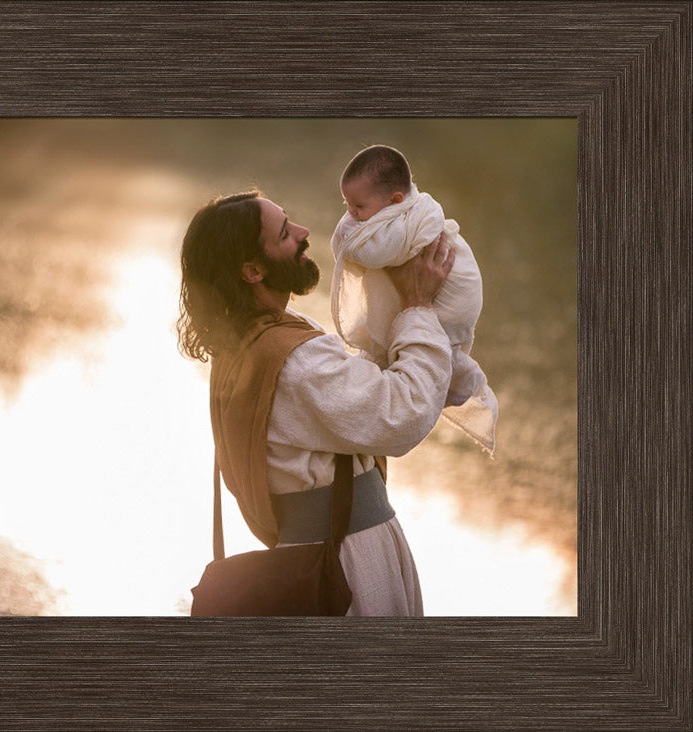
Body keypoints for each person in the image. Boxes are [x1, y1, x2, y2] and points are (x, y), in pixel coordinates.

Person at [178, 190, 456, 616]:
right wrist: (418, 307)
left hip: (316, 551)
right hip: (346, 562)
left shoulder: (247, 341)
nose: (305, 234)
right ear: (252, 270)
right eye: (286, 233)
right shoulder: (294, 360)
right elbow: (402, 413)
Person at [331, 145, 497, 453]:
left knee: (437, 344)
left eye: (358, 206)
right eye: (346, 203)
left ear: (394, 201)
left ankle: (454, 379)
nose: (350, 213)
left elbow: (362, 250)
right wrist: (357, 219)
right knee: (433, 349)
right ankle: (454, 376)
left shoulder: (407, 221)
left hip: (454, 291)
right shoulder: (393, 211)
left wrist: (346, 232)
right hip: (440, 288)